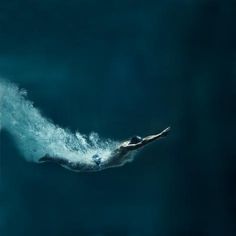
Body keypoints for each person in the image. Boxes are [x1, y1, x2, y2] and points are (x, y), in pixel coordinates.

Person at [39, 127, 170, 172]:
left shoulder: (129, 144)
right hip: (98, 163)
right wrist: (159, 136)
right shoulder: (125, 147)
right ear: (133, 143)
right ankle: (50, 157)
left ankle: (52, 157)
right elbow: (140, 145)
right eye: (137, 144)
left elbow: (145, 140)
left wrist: (159, 135)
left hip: (100, 159)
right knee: (74, 166)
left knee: (74, 164)